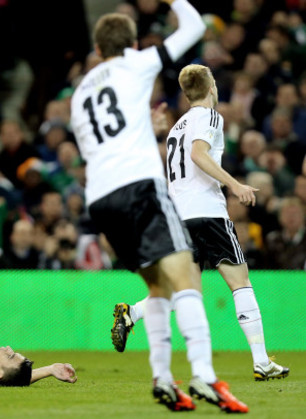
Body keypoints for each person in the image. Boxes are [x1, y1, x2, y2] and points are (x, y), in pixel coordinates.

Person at [70, 0, 248, 413]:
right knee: (187, 276)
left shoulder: (80, 93)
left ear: (97, 50)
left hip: (100, 198)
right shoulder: (137, 64)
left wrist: (142, 130)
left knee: (155, 285)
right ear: (132, 44)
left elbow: (93, 146)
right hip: (140, 189)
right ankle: (203, 374)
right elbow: (192, 26)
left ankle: (163, 379)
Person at [112, 64, 289, 383]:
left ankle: (132, 312)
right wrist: (234, 185)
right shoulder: (209, 116)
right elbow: (198, 154)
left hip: (179, 217)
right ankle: (261, 361)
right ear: (211, 88)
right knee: (240, 282)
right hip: (207, 212)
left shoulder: (177, 127)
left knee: (184, 290)